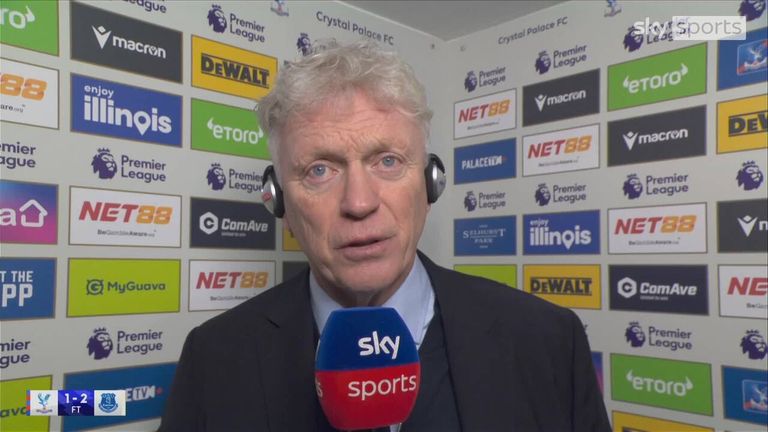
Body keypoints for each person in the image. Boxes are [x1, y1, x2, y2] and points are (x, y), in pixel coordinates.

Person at [158, 39, 610, 432]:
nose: (359, 203)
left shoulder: (548, 340)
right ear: (280, 203)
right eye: (320, 170)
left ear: (430, 185)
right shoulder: (213, 358)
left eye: (388, 161)